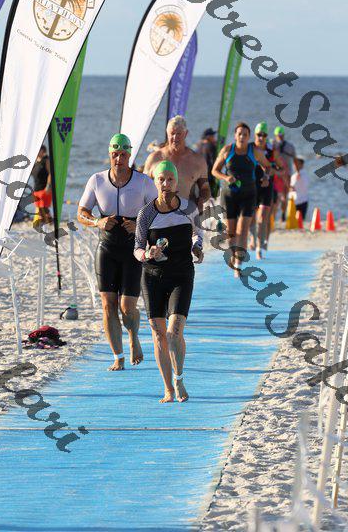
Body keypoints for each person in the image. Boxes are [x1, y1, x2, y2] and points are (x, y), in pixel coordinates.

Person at [78, 133, 157, 371]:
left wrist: (140, 225)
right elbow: (81, 213)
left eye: (123, 154)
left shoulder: (143, 182)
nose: (119, 159)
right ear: (110, 155)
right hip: (107, 249)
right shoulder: (97, 180)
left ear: (129, 155)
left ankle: (133, 337)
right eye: (115, 154)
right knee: (107, 305)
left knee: (127, 307)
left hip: (133, 251)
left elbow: (159, 213)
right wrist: (97, 222)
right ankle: (118, 356)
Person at [134, 161, 204, 403]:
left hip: (181, 274)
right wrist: (147, 253)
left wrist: (197, 247)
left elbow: (197, 233)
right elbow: (137, 248)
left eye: (170, 179)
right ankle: (167, 389)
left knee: (173, 333)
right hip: (152, 276)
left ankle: (179, 378)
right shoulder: (146, 214)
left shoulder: (189, 208)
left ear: (177, 182)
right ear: (155, 183)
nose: (166, 184)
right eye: (161, 179)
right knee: (158, 334)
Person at [211, 122, 272, 275]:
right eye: (239, 134)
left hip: (248, 195)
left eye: (245, 134)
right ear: (235, 135)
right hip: (229, 196)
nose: (242, 137)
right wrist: (226, 177)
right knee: (231, 232)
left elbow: (268, 166)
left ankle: (239, 263)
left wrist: (266, 176)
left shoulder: (255, 152)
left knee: (243, 229)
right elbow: (214, 171)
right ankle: (233, 256)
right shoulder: (227, 150)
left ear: (249, 137)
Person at [144, 115, 211, 213]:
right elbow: (143, 188)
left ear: (186, 133)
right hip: (158, 214)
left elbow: (205, 189)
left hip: (185, 214)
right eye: (172, 133)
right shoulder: (154, 158)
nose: (175, 137)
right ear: (167, 133)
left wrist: (201, 200)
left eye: (179, 133)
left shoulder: (198, 161)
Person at [251, 122, 286, 259]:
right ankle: (253, 239)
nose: (261, 137)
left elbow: (283, 169)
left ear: (267, 136)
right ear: (255, 135)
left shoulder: (272, 151)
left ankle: (259, 248)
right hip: (251, 187)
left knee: (263, 218)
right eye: (259, 134)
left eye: (264, 135)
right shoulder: (249, 149)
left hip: (267, 187)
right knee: (251, 218)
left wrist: (274, 172)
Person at [272, 126, 298, 221]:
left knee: (284, 196)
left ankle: (283, 214)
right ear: (275, 135)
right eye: (278, 136)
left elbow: (295, 159)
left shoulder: (289, 146)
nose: (280, 137)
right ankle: (275, 215)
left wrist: (298, 171)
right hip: (276, 174)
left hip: (287, 173)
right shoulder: (272, 145)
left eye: (281, 135)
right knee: (277, 196)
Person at [32, 145, 52, 224]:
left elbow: (50, 173)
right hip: (36, 188)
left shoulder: (46, 160)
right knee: (39, 209)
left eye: (38, 150)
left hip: (45, 188)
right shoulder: (35, 161)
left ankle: (50, 223)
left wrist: (48, 186)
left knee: (44, 208)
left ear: (43, 151)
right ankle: (45, 224)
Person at [196, 128, 218, 197]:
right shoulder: (211, 146)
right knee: (209, 199)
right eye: (213, 136)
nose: (214, 137)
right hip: (208, 177)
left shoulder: (198, 146)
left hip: (198, 177)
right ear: (208, 137)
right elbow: (214, 162)